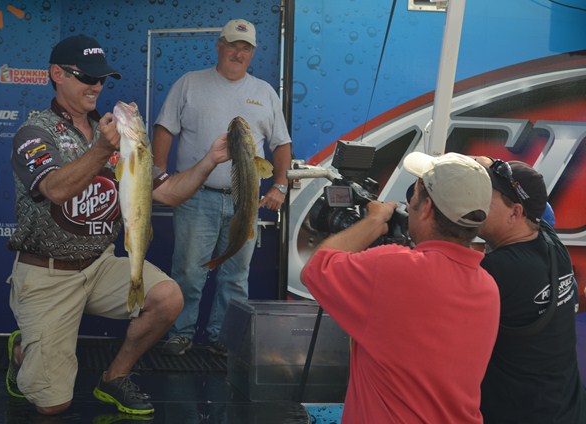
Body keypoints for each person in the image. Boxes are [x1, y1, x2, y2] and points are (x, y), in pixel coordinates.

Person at [5, 34, 229, 416]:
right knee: (53, 406)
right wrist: (100, 150)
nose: (96, 86)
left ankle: (114, 377)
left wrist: (210, 160)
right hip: (49, 273)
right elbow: (54, 190)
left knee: (168, 297)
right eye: (86, 77)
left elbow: (170, 193)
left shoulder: (119, 136)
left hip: (99, 265)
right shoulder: (36, 132)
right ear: (57, 74)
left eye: (101, 79)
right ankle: (22, 351)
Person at [301, 152, 501, 423]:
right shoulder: (488, 287)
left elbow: (315, 268)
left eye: (414, 193)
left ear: (427, 207)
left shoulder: (393, 268)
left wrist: (373, 221)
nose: (409, 203)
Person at [151, 18, 292, 356]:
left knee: (236, 276)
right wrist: (159, 176)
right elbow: (164, 128)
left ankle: (224, 338)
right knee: (188, 272)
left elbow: (282, 143)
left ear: (252, 53)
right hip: (195, 198)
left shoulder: (265, 92)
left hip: (246, 201)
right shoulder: (190, 83)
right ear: (219, 46)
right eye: (232, 45)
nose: (238, 53)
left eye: (246, 48)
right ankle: (180, 333)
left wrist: (280, 185)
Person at [474, 157, 586, 423]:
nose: (475, 201)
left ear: (515, 213)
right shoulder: (550, 241)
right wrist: (490, 164)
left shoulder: (497, 271)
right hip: (566, 408)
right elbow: (537, 205)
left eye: (485, 195)